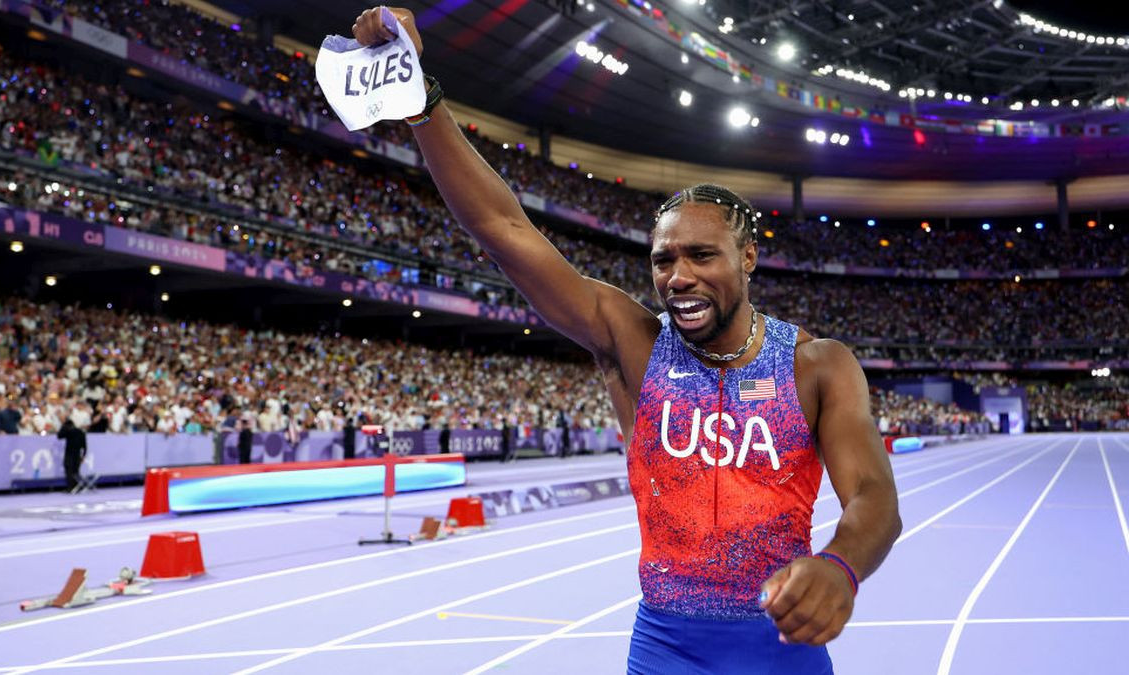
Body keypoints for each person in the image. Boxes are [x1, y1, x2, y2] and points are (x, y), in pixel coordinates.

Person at [349, 8, 902, 672]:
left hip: (780, 650)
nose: (680, 276)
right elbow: (505, 227)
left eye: (702, 255)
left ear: (749, 258)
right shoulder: (632, 343)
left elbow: (874, 495)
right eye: (664, 260)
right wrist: (422, 106)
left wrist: (839, 566)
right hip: (664, 646)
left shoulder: (817, 365)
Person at [57, 417, 87, 492]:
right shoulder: (81, 432)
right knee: (76, 471)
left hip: (69, 454)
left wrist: (63, 426)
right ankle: (77, 487)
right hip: (78, 454)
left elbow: (59, 436)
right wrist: (83, 456)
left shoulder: (68, 431)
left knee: (69, 471)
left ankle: (70, 488)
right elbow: (85, 446)